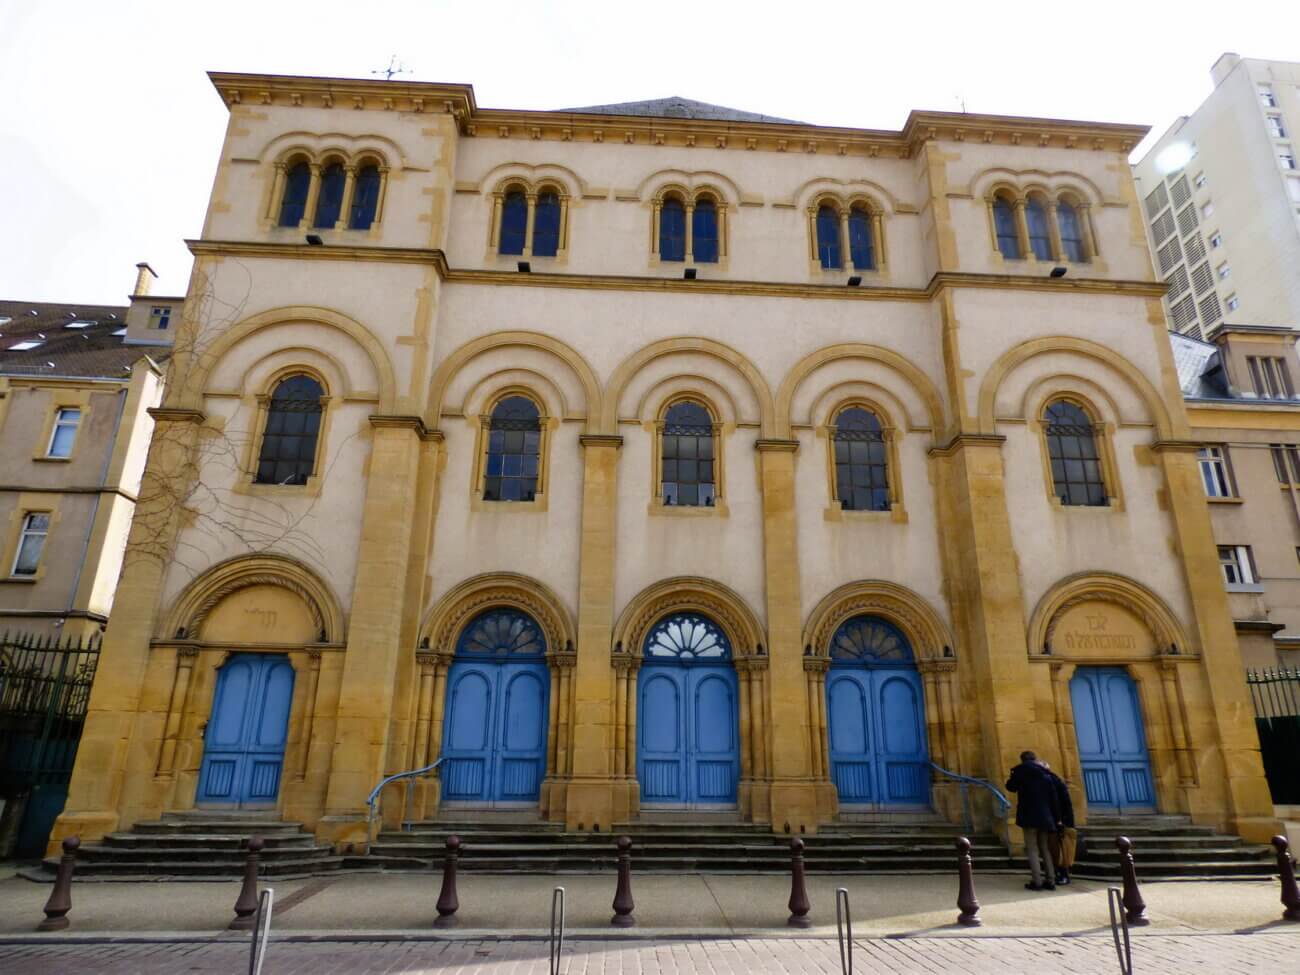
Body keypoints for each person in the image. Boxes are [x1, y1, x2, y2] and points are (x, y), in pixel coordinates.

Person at [1005, 750, 1060, 891]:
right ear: (1035, 759)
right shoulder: (1046, 775)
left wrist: (1012, 775)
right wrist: (1056, 818)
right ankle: (1051, 880)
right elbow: (1054, 799)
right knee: (1045, 848)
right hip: (1045, 817)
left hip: (1028, 816)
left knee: (1032, 850)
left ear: (1022, 760)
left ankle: (1037, 882)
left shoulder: (1019, 773)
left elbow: (1010, 787)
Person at [1044, 764, 1076, 885]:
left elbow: (1062, 803)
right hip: (1058, 820)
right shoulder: (1055, 780)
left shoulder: (1053, 782)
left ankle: (1063, 874)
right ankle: (1059, 873)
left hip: (1059, 821)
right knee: (1057, 849)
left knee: (1060, 849)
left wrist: (1062, 821)